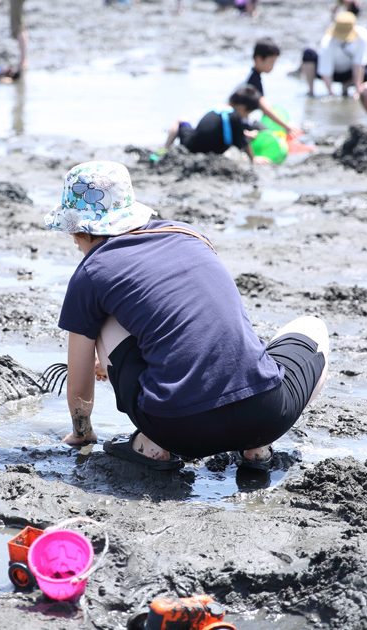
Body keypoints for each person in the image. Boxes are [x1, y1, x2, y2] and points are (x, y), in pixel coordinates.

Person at [46, 161, 329, 471]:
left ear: (79, 231)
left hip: (177, 430)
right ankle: (256, 447)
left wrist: (81, 433)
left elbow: (78, 384)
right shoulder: (188, 234)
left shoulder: (92, 271)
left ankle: (152, 447)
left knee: (101, 317)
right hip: (266, 413)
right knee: (312, 327)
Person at [162, 86, 266, 163]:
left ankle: (164, 149)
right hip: (212, 151)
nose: (246, 117)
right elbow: (242, 143)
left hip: (192, 146)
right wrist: (254, 159)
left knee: (182, 120)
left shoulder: (216, 110)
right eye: (248, 113)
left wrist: (245, 134)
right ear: (242, 108)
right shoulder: (235, 117)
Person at [300, 11, 367, 97]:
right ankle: (311, 91)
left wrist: (357, 91)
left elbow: (358, 65)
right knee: (308, 53)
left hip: (349, 72)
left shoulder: (362, 37)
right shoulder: (327, 42)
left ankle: (347, 86)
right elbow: (326, 71)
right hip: (333, 72)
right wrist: (330, 93)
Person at [242, 38, 303, 138]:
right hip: (242, 124)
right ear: (258, 59)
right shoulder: (253, 81)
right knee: (267, 133)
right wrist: (287, 127)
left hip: (243, 121)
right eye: (271, 62)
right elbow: (266, 109)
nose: (273, 66)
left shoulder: (254, 77)